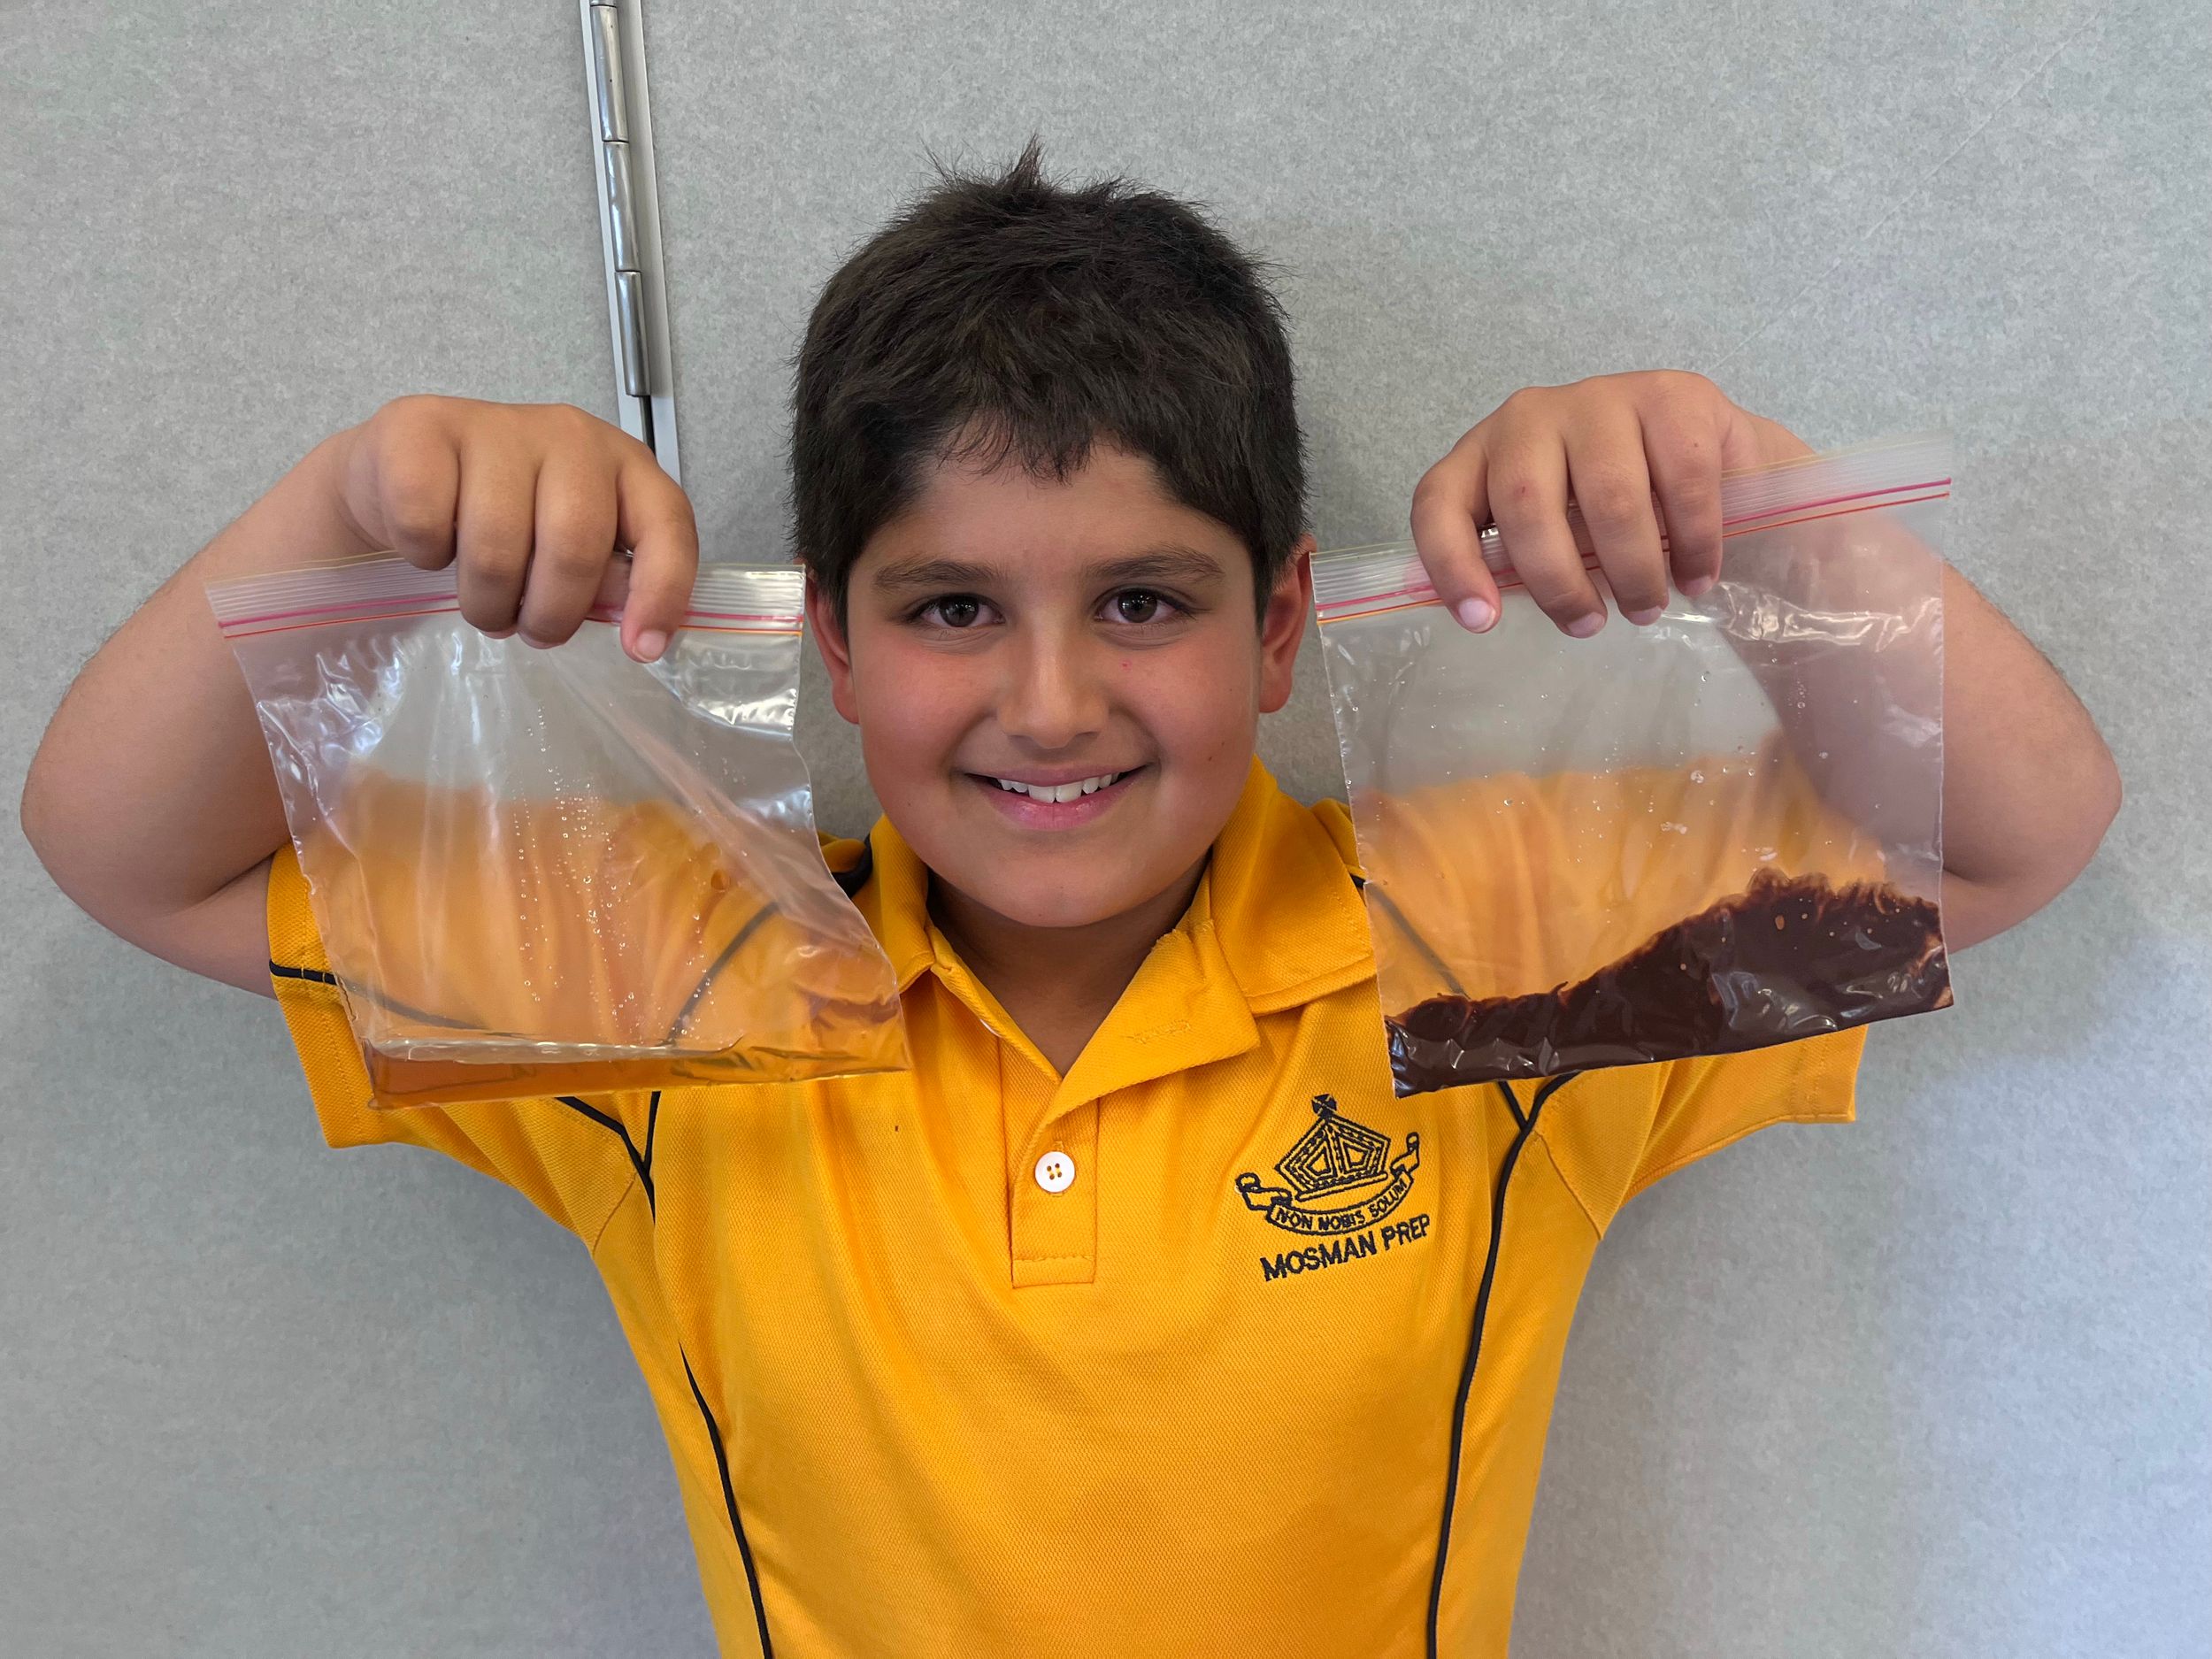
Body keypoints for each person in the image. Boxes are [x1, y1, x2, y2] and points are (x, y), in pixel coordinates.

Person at [19, 139, 2120, 1658]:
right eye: (949, 605)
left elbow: (2004, 835)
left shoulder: (1479, 951)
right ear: (835, 652)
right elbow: (129, 845)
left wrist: (1736, 489)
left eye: (1141, 600)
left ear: (1277, 625)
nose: (1047, 701)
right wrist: (359, 510)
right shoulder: (682, 972)